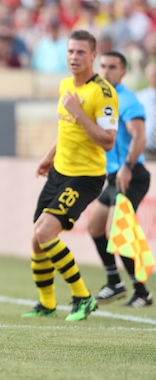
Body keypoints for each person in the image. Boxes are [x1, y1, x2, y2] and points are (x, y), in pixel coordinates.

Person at [22, 29, 119, 321]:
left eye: (80, 52)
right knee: (37, 241)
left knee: (45, 232)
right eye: (70, 52)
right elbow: (66, 131)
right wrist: (48, 159)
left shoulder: (103, 93)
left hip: (85, 177)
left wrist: (79, 113)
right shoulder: (66, 84)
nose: (74, 57)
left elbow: (108, 140)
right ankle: (47, 304)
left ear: (93, 55)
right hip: (59, 173)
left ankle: (83, 297)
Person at [88, 51, 152, 308]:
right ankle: (114, 281)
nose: (105, 71)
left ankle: (142, 292)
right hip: (113, 176)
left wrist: (126, 166)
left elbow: (140, 137)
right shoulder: (102, 98)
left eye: (112, 67)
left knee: (117, 232)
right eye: (102, 66)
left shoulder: (128, 100)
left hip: (132, 175)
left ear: (123, 71)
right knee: (95, 227)